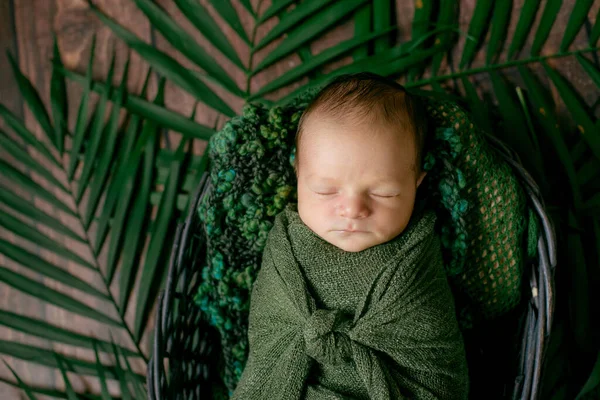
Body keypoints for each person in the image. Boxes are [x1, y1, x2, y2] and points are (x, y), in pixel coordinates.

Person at [232, 73, 470, 399]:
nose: (353, 209)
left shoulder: (418, 257)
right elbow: (268, 334)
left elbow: (435, 363)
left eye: (384, 193)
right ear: (297, 174)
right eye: (325, 190)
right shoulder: (285, 244)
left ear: (416, 183)